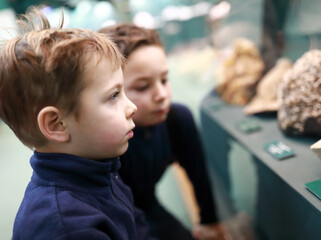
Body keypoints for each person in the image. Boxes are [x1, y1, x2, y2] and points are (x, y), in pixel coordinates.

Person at [0, 8, 154, 240]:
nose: (132, 107)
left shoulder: (101, 169)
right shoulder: (65, 227)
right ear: (57, 124)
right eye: (113, 96)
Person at [99, 24, 227, 240]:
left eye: (164, 80)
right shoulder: (104, 142)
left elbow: (199, 174)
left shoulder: (176, 120)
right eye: (142, 87)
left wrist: (209, 220)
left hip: (148, 207)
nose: (161, 95)